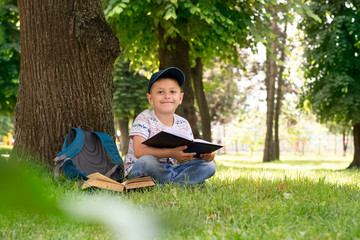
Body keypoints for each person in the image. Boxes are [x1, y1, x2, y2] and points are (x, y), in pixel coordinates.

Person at [124, 67, 216, 186]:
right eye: (160, 92)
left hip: (169, 170)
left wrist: (205, 156)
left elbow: (187, 154)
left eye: (172, 92)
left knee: (209, 166)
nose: (167, 96)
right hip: (142, 169)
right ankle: (185, 183)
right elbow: (139, 151)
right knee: (148, 161)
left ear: (180, 98)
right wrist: (172, 153)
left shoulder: (183, 124)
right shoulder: (144, 117)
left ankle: (163, 185)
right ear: (150, 99)